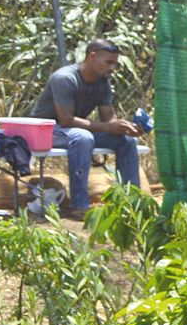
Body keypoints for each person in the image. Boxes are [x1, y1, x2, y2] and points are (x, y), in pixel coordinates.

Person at [29, 38, 143, 219]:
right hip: (44, 131)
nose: (113, 68)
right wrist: (108, 126)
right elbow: (66, 120)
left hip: (73, 130)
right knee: (83, 137)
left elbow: (108, 119)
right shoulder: (65, 78)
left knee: (127, 140)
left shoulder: (103, 82)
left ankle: (131, 202)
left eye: (115, 63)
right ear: (92, 57)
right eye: (108, 62)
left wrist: (124, 128)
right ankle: (80, 206)